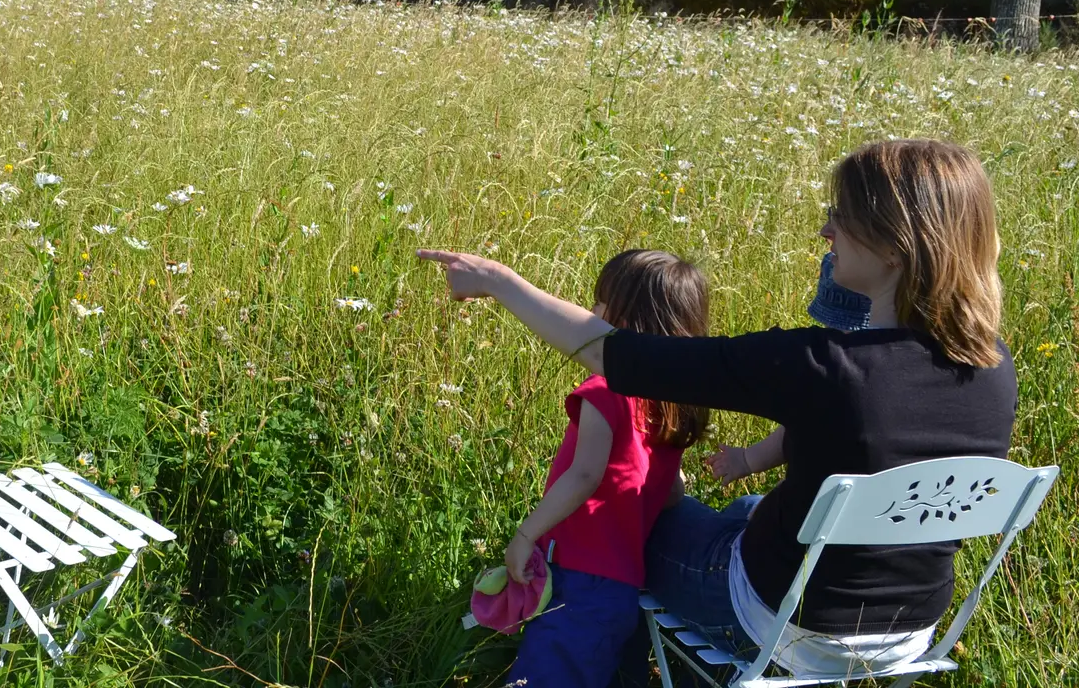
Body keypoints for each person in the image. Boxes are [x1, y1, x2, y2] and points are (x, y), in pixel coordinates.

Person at [421, 139, 1016, 679]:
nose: (825, 232)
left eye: (841, 216)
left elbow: (616, 354)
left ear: (893, 246)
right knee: (751, 505)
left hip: (783, 623)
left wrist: (498, 281)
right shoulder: (994, 367)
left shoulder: (823, 367)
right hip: (909, 632)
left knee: (633, 524)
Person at [494, 250, 710, 688]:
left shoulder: (606, 387)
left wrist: (524, 536)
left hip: (576, 578)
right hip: (623, 588)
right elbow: (671, 493)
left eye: (598, 303)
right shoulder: (674, 402)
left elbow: (584, 475)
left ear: (617, 317)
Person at [707, 252, 871, 485]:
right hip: (892, 509)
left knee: (745, 508)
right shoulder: (917, 366)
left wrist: (747, 460)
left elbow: (799, 427)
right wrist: (746, 459)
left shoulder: (825, 376)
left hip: (820, 509)